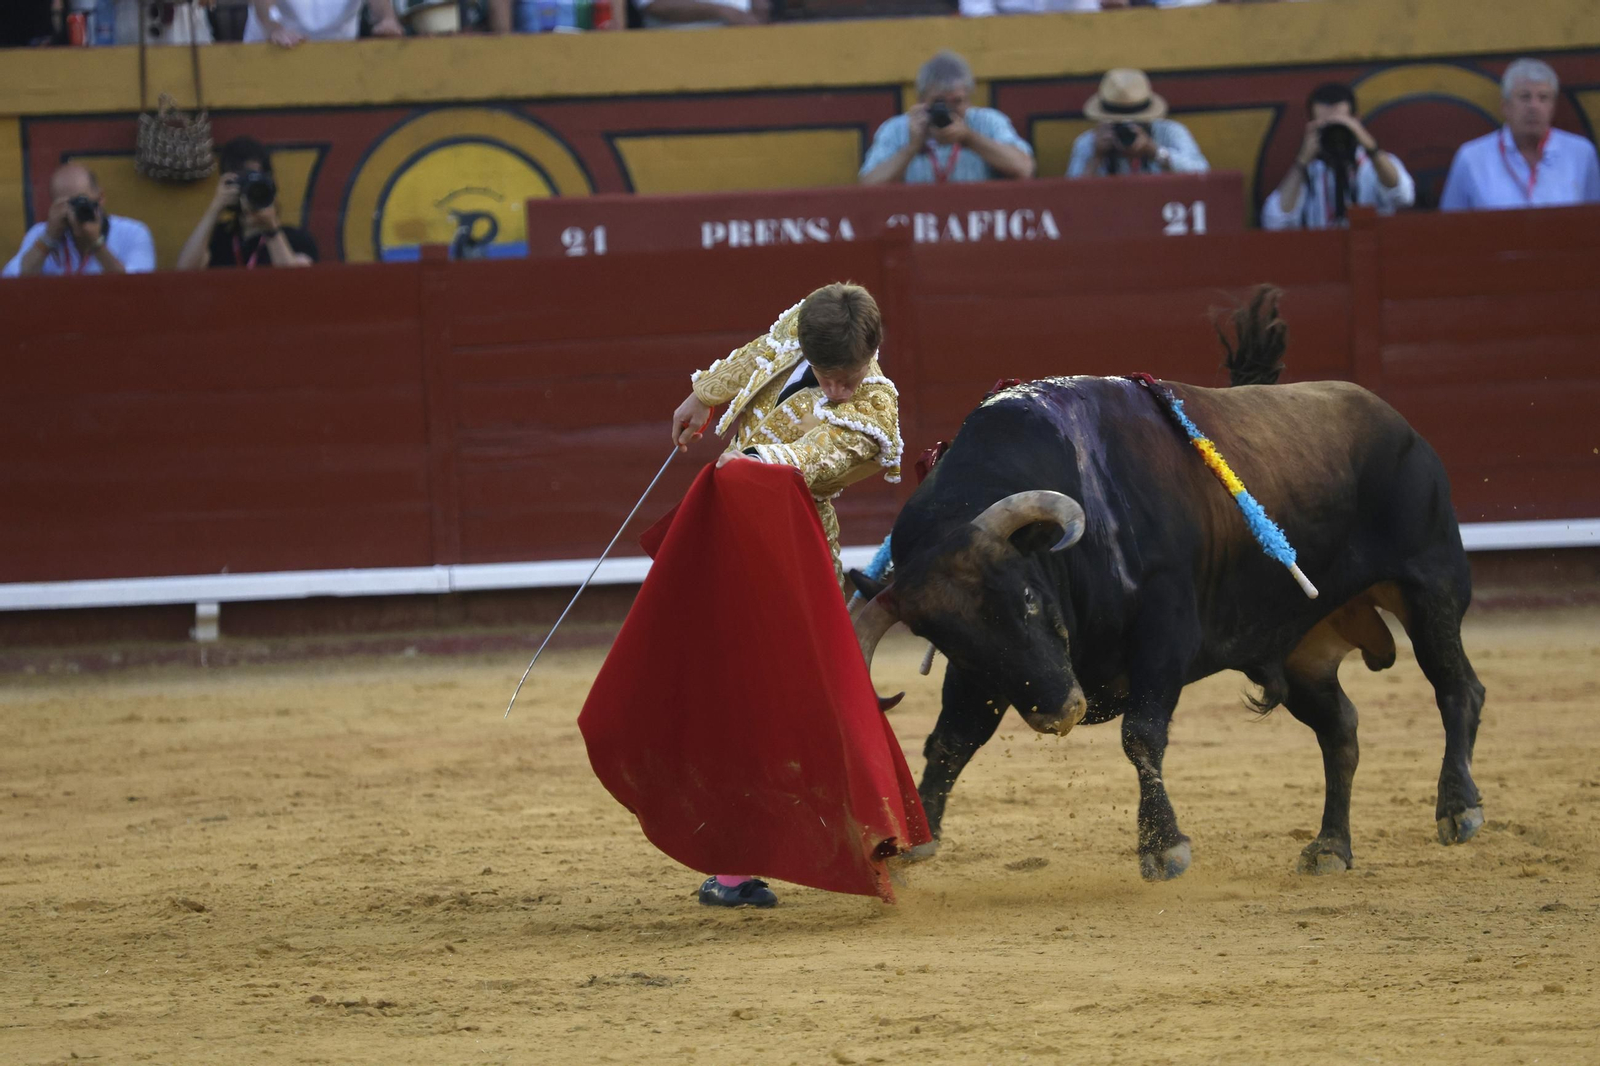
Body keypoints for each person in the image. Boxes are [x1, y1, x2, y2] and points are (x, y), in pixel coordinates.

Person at [668, 283, 903, 908]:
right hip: (735, 545)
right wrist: (703, 395)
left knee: (810, 705)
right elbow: (757, 353)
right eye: (827, 378)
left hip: (795, 565)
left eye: (845, 379)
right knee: (740, 704)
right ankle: (739, 865)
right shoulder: (801, 330)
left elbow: (810, 462)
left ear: (872, 355)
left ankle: (876, 839)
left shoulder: (876, 410)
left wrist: (741, 461)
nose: (836, 392)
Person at [1439, 58, 1600, 212]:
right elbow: (1449, 228)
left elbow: (1593, 223)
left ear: (1553, 107)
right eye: (1525, 97)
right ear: (1505, 106)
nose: (1534, 107)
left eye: (1543, 98)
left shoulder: (1581, 153)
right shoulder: (1471, 158)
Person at [859, 51, 1035, 185]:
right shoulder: (898, 129)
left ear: (968, 99)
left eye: (957, 102)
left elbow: (1024, 168)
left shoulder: (987, 122)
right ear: (921, 100)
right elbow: (868, 184)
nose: (949, 111)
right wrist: (911, 148)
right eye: (939, 103)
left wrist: (970, 138)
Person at [1261, 82, 1415, 230]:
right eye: (1325, 125)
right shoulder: (1309, 173)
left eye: (1340, 125)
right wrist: (1302, 161)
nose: (1334, 133)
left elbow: (1404, 196)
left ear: (1357, 122)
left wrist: (1371, 149)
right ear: (1311, 126)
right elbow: (1274, 220)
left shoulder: (1374, 165)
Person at [176, 137, 318, 270]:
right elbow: (185, 272)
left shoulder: (296, 239)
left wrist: (271, 230)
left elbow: (296, 284)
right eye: (242, 180)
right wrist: (216, 207)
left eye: (255, 178)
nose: (249, 188)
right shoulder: (219, 239)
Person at [3, 164, 156, 278]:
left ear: (100, 198)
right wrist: (48, 239)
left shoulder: (133, 233)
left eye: (81, 202)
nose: (74, 212)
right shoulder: (40, 234)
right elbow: (11, 283)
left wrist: (96, 244)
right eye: (66, 204)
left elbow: (138, 289)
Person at [1066, 68, 1208, 178]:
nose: (1128, 128)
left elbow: (1203, 175)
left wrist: (1156, 152)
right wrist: (1096, 158)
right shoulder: (1089, 142)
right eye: (1118, 123)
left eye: (1137, 122)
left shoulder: (1170, 133)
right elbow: (1070, 197)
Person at [246, 0, 402, 44]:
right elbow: (263, 5)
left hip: (337, 60)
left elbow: (380, 5)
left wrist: (387, 20)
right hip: (270, 54)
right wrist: (275, 28)